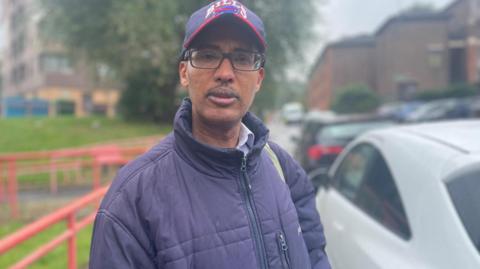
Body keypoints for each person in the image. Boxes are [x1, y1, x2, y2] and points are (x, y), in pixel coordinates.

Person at [89, 1, 331, 268]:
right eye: (207, 56)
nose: (225, 74)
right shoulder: (132, 200)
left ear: (259, 78)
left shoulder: (283, 168)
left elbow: (315, 254)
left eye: (241, 58)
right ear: (184, 72)